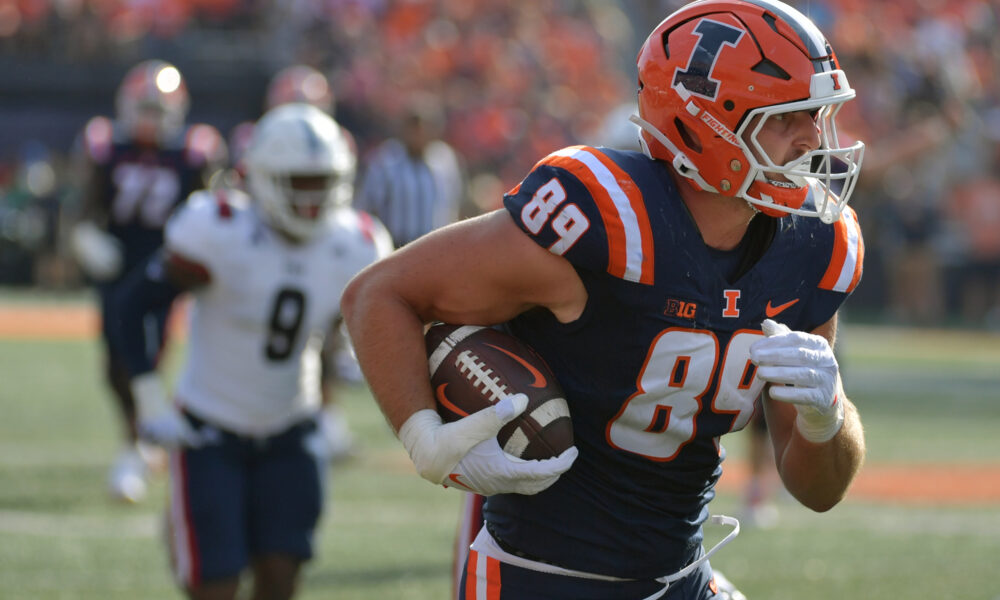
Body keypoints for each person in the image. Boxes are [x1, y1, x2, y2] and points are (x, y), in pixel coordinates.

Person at [342, 1, 867, 598]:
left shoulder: (816, 246)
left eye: (819, 115)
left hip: (680, 576)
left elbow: (819, 491)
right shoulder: (606, 219)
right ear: (705, 124)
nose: (815, 140)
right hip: (538, 578)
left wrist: (831, 419)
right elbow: (378, 293)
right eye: (786, 118)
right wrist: (422, 438)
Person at [110, 102, 392, 599]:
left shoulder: (357, 243)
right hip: (210, 429)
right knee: (215, 585)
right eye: (299, 182)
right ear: (261, 179)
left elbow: (330, 326)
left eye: (323, 182)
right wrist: (149, 398)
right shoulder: (219, 229)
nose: (313, 198)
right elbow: (131, 307)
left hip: (292, 429)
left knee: (281, 579)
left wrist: (343, 359)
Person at [68, 58, 227, 503]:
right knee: (112, 362)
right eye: (143, 108)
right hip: (116, 266)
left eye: (158, 110)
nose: (149, 119)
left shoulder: (194, 151)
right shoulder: (105, 146)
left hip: (164, 265)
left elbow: (214, 209)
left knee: (149, 352)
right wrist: (85, 236)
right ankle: (140, 436)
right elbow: (84, 206)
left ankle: (135, 446)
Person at [227, 63, 362, 462]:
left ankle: (327, 412)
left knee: (326, 332)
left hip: (319, 245)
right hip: (264, 245)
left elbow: (342, 200)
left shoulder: (338, 141)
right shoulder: (253, 139)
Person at [353, 94, 464, 247]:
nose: (419, 135)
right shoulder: (386, 161)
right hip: (395, 244)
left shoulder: (444, 161)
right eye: (415, 128)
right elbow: (368, 206)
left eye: (425, 128)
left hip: (433, 244)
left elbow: (451, 205)